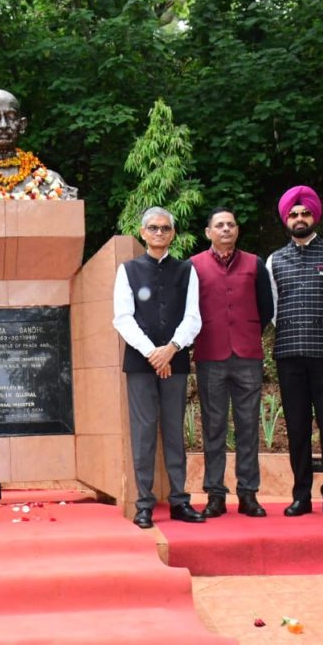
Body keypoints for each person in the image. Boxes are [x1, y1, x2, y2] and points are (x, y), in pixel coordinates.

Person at [267, 186, 323, 517]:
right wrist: (297, 332)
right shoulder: (274, 260)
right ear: (286, 220)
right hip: (290, 354)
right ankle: (300, 495)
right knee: (297, 426)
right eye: (294, 214)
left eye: (305, 213)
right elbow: (275, 309)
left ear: (314, 216)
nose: (299, 218)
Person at [113, 207, 204, 529]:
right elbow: (122, 317)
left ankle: (180, 500)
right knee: (144, 434)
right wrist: (154, 353)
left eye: (165, 228)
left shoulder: (186, 270)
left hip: (175, 361)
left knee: (175, 432)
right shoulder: (128, 270)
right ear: (142, 232)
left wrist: (171, 350)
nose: (159, 233)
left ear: (173, 233)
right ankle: (144, 504)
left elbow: (193, 317)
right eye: (153, 228)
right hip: (141, 364)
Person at [190, 207, 273, 518]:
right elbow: (189, 310)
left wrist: (247, 330)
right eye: (219, 225)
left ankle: (248, 492)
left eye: (231, 225)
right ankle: (215, 494)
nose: (226, 229)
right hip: (210, 354)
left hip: (247, 355)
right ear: (208, 232)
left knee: (248, 425)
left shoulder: (255, 264)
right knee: (213, 426)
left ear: (237, 230)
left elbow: (266, 307)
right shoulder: (194, 266)